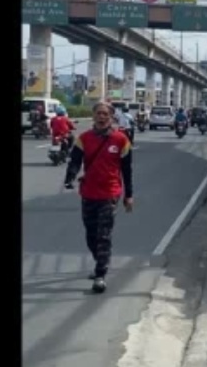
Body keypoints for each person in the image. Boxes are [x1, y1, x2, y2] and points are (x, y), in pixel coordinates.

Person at [64, 101, 134, 294]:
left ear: (111, 117)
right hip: (88, 193)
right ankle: (100, 261)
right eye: (98, 113)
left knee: (103, 235)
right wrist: (69, 177)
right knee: (90, 235)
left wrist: (129, 195)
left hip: (110, 194)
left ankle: (100, 274)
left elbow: (127, 170)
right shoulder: (83, 138)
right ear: (93, 116)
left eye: (105, 114)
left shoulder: (121, 140)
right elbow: (75, 161)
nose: (102, 117)